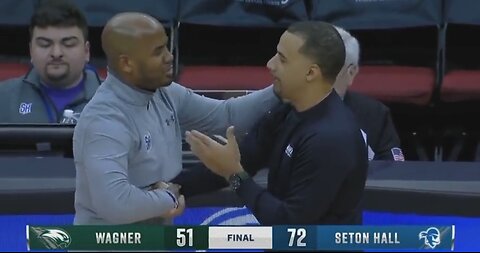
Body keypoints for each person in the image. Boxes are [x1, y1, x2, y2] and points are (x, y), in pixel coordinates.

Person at [72, 12, 280, 225]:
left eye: (166, 46)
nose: (169, 57)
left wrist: (281, 89)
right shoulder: (104, 121)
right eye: (157, 52)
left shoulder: (165, 93)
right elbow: (115, 204)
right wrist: (170, 197)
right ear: (127, 63)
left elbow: (226, 116)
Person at [186, 21, 369, 225]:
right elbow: (244, 157)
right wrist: (170, 188)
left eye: (282, 59)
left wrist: (234, 175)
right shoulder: (288, 110)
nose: (270, 64)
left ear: (311, 73)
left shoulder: (331, 139)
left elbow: (288, 224)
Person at [0, 0, 102, 123]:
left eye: (68, 44)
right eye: (45, 44)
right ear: (31, 51)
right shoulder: (4, 98)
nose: (56, 53)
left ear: (86, 51)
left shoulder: (117, 100)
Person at [333, 26, 404, 161]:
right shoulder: (285, 110)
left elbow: (393, 172)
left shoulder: (375, 114)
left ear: (351, 73)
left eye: (330, 69)